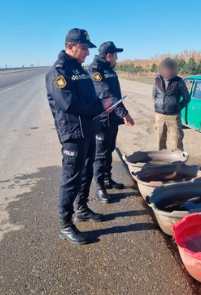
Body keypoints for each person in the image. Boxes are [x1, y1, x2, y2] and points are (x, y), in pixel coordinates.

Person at [45, 28, 113, 244]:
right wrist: (99, 106)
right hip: (73, 134)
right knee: (71, 178)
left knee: (86, 171)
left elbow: (90, 96)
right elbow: (69, 103)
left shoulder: (80, 70)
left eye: (87, 48)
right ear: (69, 47)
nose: (86, 52)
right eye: (83, 48)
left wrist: (101, 108)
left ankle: (81, 208)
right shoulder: (58, 72)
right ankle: (65, 224)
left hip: (89, 129)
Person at [89, 41, 135, 203]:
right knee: (100, 154)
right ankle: (99, 186)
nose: (117, 59)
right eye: (116, 56)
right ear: (109, 56)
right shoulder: (95, 70)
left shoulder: (108, 69)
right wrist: (124, 113)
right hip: (102, 119)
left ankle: (108, 180)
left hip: (112, 119)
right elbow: (107, 94)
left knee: (109, 150)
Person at [153, 58, 190, 152]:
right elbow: (154, 96)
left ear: (173, 70)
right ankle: (161, 163)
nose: (168, 71)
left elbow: (186, 98)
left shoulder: (179, 81)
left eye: (170, 69)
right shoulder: (157, 80)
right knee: (159, 141)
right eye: (166, 69)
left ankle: (178, 164)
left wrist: (177, 107)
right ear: (162, 70)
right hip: (159, 116)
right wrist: (159, 106)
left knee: (176, 142)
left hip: (174, 116)